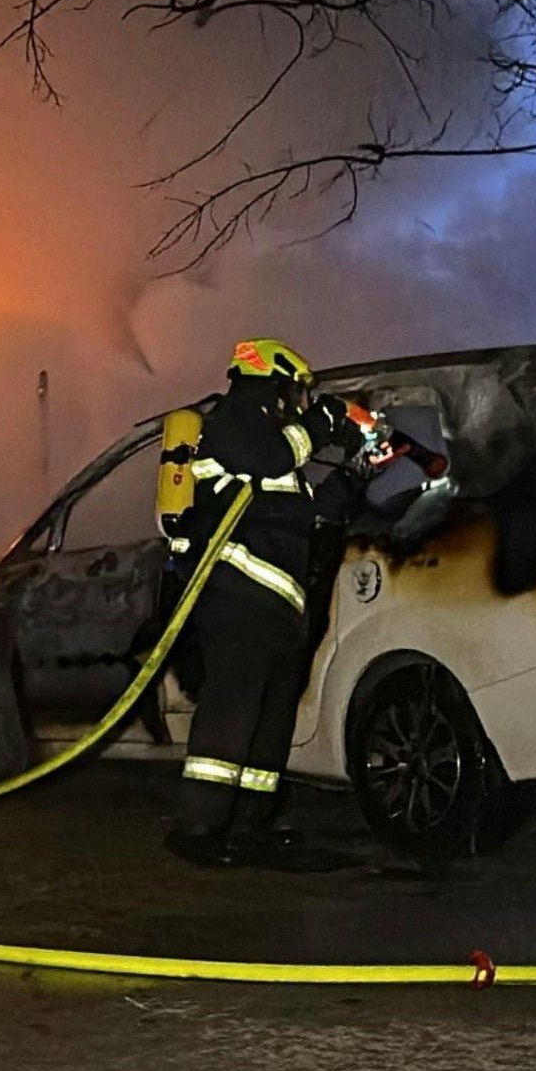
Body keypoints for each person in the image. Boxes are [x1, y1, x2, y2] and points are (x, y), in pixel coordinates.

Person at [164, 338, 375, 870]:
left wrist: (355, 474)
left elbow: (302, 514)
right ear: (276, 383)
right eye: (298, 392)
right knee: (232, 707)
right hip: (234, 592)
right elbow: (270, 457)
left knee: (271, 715)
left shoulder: (272, 440)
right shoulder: (232, 420)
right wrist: (328, 419)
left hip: (277, 601)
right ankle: (200, 823)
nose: (301, 402)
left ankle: (250, 822)